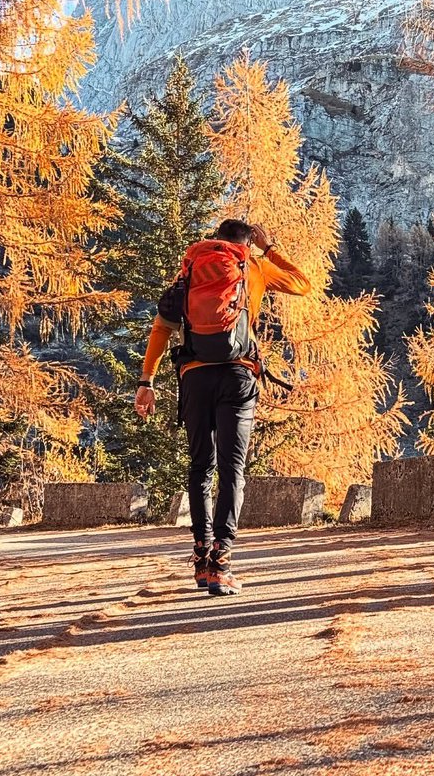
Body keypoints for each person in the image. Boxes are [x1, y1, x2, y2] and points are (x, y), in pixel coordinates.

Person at [135, 220, 310, 595]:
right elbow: (302, 283)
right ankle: (221, 561)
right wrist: (269, 247)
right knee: (232, 470)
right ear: (247, 242)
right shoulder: (254, 265)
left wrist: (146, 381)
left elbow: (161, 329)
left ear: (216, 239)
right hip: (237, 376)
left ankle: (200, 560)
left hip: (195, 377)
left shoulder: (191, 270)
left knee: (201, 467)